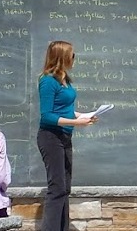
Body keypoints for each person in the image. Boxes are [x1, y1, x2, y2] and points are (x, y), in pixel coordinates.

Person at [36, 40, 97, 231]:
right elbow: (47, 116)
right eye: (72, 55)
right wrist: (76, 123)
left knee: (65, 188)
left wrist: (84, 116)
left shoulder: (66, 81)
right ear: (62, 57)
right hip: (51, 137)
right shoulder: (48, 81)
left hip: (64, 137)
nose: (74, 58)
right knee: (57, 188)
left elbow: (66, 110)